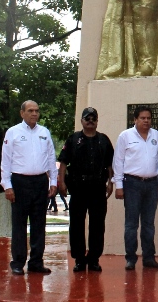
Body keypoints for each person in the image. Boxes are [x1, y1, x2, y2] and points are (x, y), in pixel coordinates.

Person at [1, 100, 58, 275]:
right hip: (19, 182)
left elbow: (50, 158)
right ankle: (18, 262)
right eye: (30, 110)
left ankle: (36, 262)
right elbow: (6, 161)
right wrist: (7, 186)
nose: (34, 114)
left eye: (37, 111)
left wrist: (53, 182)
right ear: (22, 113)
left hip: (40, 182)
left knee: (39, 224)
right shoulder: (13, 132)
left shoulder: (44, 132)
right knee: (19, 225)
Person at [58, 107, 114, 272]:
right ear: (82, 121)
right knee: (76, 224)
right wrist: (61, 182)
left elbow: (110, 164)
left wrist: (111, 183)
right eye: (87, 118)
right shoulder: (73, 139)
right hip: (78, 187)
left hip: (98, 188)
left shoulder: (104, 140)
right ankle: (79, 259)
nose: (90, 121)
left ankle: (94, 258)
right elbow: (63, 163)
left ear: (97, 121)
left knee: (97, 224)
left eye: (93, 118)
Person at [113, 106, 158, 270]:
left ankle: (149, 257)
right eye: (142, 118)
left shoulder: (156, 135)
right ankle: (130, 258)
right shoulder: (125, 136)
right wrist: (119, 185)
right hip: (132, 183)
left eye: (148, 118)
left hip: (151, 184)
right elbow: (118, 162)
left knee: (149, 224)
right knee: (131, 224)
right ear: (135, 119)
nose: (146, 121)